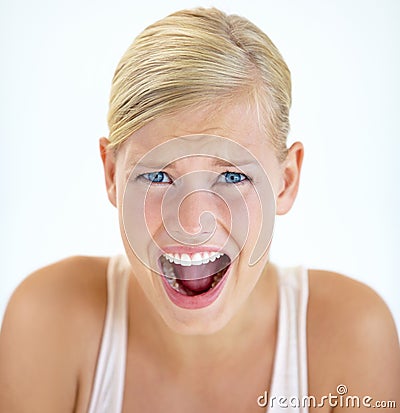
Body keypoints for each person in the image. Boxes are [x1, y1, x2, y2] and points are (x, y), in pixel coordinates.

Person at [0, 7, 399, 413]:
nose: (191, 224)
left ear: (286, 181)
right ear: (110, 175)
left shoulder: (352, 336)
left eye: (231, 177)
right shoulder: (48, 323)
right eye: (157, 177)